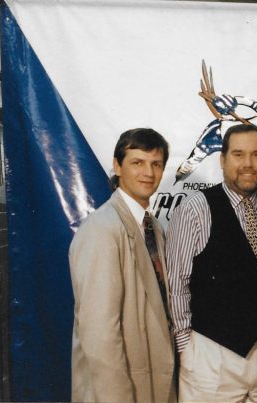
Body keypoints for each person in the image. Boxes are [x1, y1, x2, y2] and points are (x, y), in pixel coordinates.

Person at [166, 124, 257, 402]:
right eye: (238, 154)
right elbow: (176, 284)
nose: (248, 164)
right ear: (222, 160)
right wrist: (188, 349)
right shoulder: (196, 209)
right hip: (211, 359)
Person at [69, 128, 175, 402]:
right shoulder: (102, 229)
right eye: (137, 163)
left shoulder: (154, 227)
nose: (148, 173)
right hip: (120, 390)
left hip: (153, 381)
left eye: (156, 164)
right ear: (117, 166)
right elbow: (100, 334)